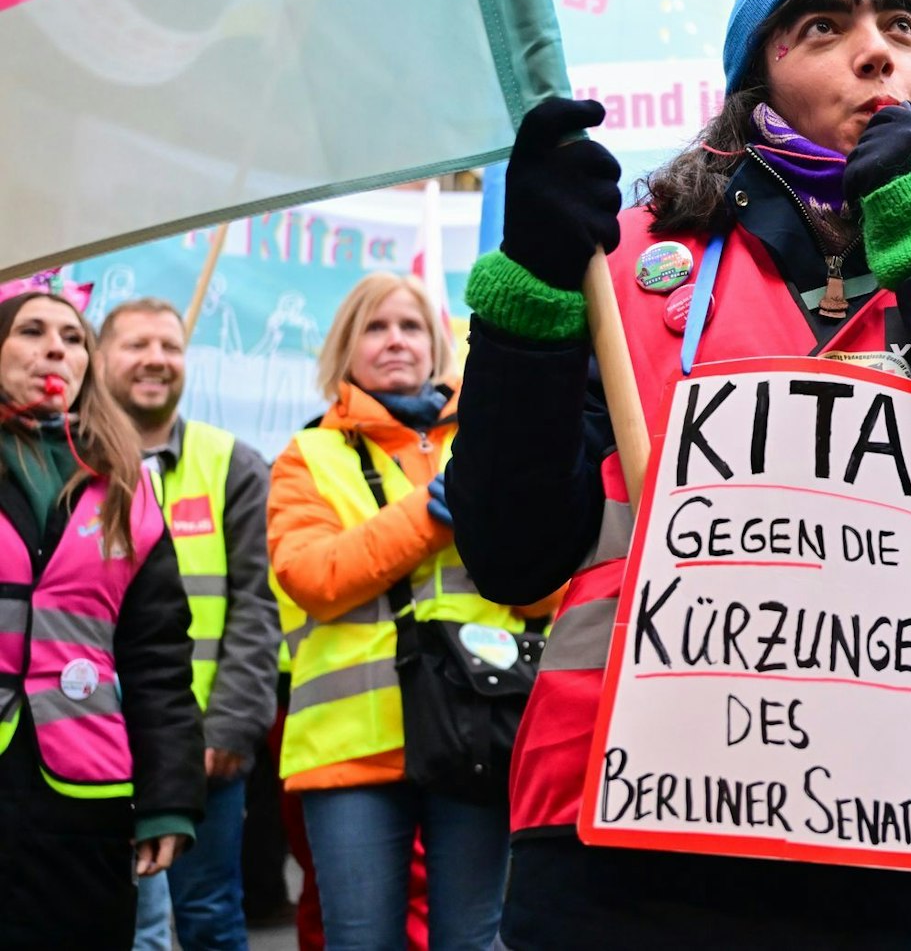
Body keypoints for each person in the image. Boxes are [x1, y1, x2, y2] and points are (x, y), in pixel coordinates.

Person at [445, 0, 911, 950]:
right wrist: (531, 291)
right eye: (823, 26)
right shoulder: (620, 272)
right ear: (752, 81)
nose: (876, 50)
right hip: (632, 850)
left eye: (900, 29)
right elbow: (511, 549)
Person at [268, 273, 556, 951]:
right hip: (352, 748)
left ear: (438, 345)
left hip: (479, 734)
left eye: (410, 325)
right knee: (361, 940)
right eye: (375, 326)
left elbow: (545, 591)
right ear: (345, 348)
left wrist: (496, 524)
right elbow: (313, 576)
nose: (394, 339)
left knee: (470, 940)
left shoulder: (494, 441)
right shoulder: (306, 455)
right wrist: (429, 515)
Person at [0, 286, 204, 949]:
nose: (54, 347)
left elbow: (157, 657)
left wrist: (170, 795)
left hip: (85, 792)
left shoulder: (127, 486)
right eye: (31, 330)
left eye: (72, 337)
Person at [100, 297, 281, 951]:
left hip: (200, 743)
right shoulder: (68, 462)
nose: (156, 359)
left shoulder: (234, 462)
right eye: (137, 344)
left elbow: (260, 608)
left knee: (206, 914)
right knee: (102, 915)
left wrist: (232, 724)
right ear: (100, 358)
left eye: (171, 346)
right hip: (85, 740)